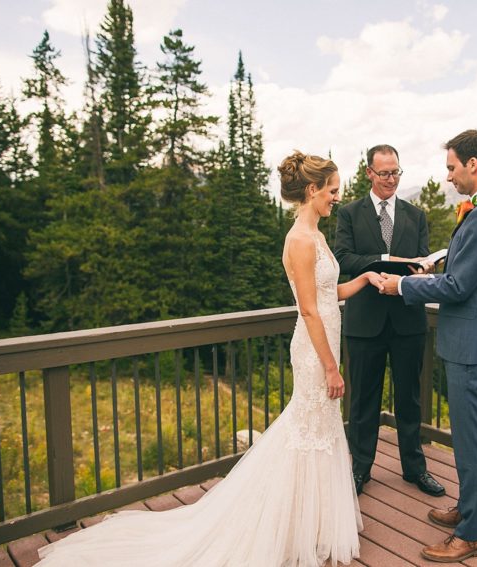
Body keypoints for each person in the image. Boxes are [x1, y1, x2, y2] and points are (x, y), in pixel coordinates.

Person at [36, 151, 383, 567]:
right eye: (332, 191)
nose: (336, 198)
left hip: (324, 343)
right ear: (312, 190)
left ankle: (312, 523)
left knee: (319, 431)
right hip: (314, 352)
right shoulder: (300, 241)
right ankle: (281, 522)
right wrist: (330, 366)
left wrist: (365, 278)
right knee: (307, 432)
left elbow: (330, 294)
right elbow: (309, 310)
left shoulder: (319, 236)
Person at [379, 130, 477, 562]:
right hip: (469, 342)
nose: (449, 176)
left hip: (472, 346)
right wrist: (433, 269)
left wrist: (402, 285)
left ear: (473, 164)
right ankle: (467, 509)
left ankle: (473, 534)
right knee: (466, 438)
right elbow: (461, 274)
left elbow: (458, 287)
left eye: (452, 167)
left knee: (471, 442)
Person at [334, 144, 445, 498]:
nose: (391, 179)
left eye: (396, 172)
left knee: (410, 400)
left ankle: (415, 469)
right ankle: (359, 470)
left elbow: (422, 260)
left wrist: (423, 268)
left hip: (407, 321)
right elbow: (343, 259)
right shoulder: (349, 214)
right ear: (369, 172)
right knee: (362, 403)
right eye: (384, 173)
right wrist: (384, 259)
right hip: (364, 323)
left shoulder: (416, 215)